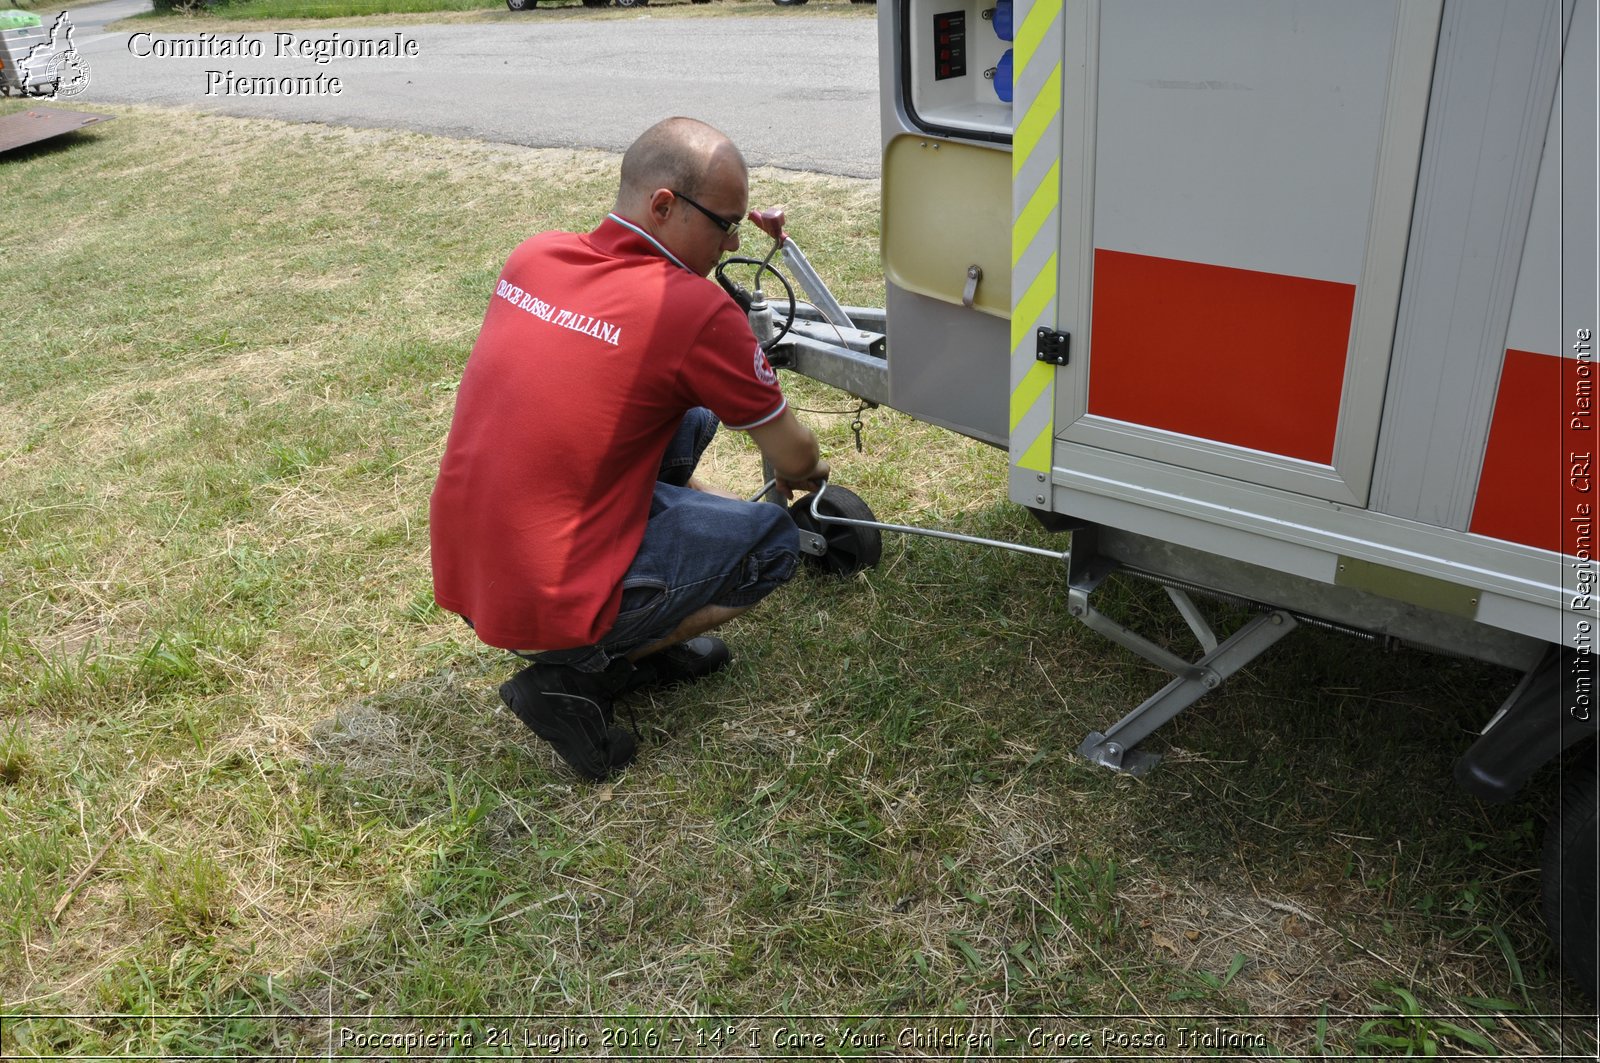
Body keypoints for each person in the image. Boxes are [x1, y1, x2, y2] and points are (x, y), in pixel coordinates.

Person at [429, 117, 828, 781]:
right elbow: (795, 458)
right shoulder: (693, 311)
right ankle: (581, 671)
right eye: (722, 223)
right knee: (773, 543)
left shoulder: (536, 254)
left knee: (689, 413)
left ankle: (635, 638)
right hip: (539, 601)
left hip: (471, 574)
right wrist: (810, 477)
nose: (731, 242)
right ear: (664, 205)